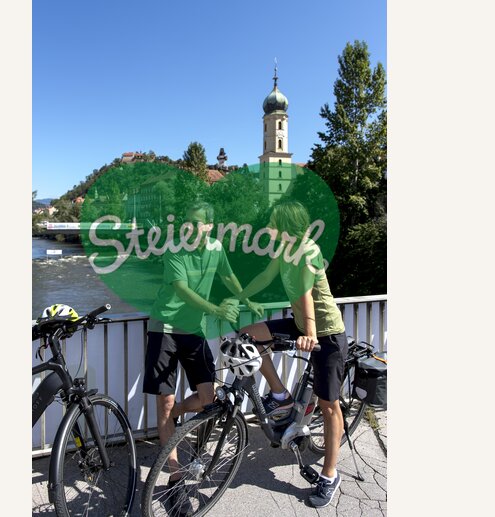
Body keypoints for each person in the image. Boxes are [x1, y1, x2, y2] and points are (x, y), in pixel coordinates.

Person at [144, 201, 258, 516]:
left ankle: (178, 415)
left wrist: (247, 299)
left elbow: (229, 276)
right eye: (188, 222)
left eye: (197, 223)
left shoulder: (216, 248)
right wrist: (216, 309)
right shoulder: (175, 249)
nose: (191, 228)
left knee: (210, 400)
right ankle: (175, 477)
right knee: (164, 403)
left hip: (194, 331)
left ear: (209, 226)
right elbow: (181, 290)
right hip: (164, 329)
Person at [234, 200, 347, 509]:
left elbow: (305, 295)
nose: (268, 229)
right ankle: (281, 394)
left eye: (273, 224)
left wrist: (310, 334)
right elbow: (265, 279)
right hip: (301, 325)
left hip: (326, 334)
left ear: (286, 226)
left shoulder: (307, 251)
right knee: (248, 335)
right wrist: (238, 296)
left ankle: (329, 475)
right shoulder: (284, 250)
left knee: (329, 406)